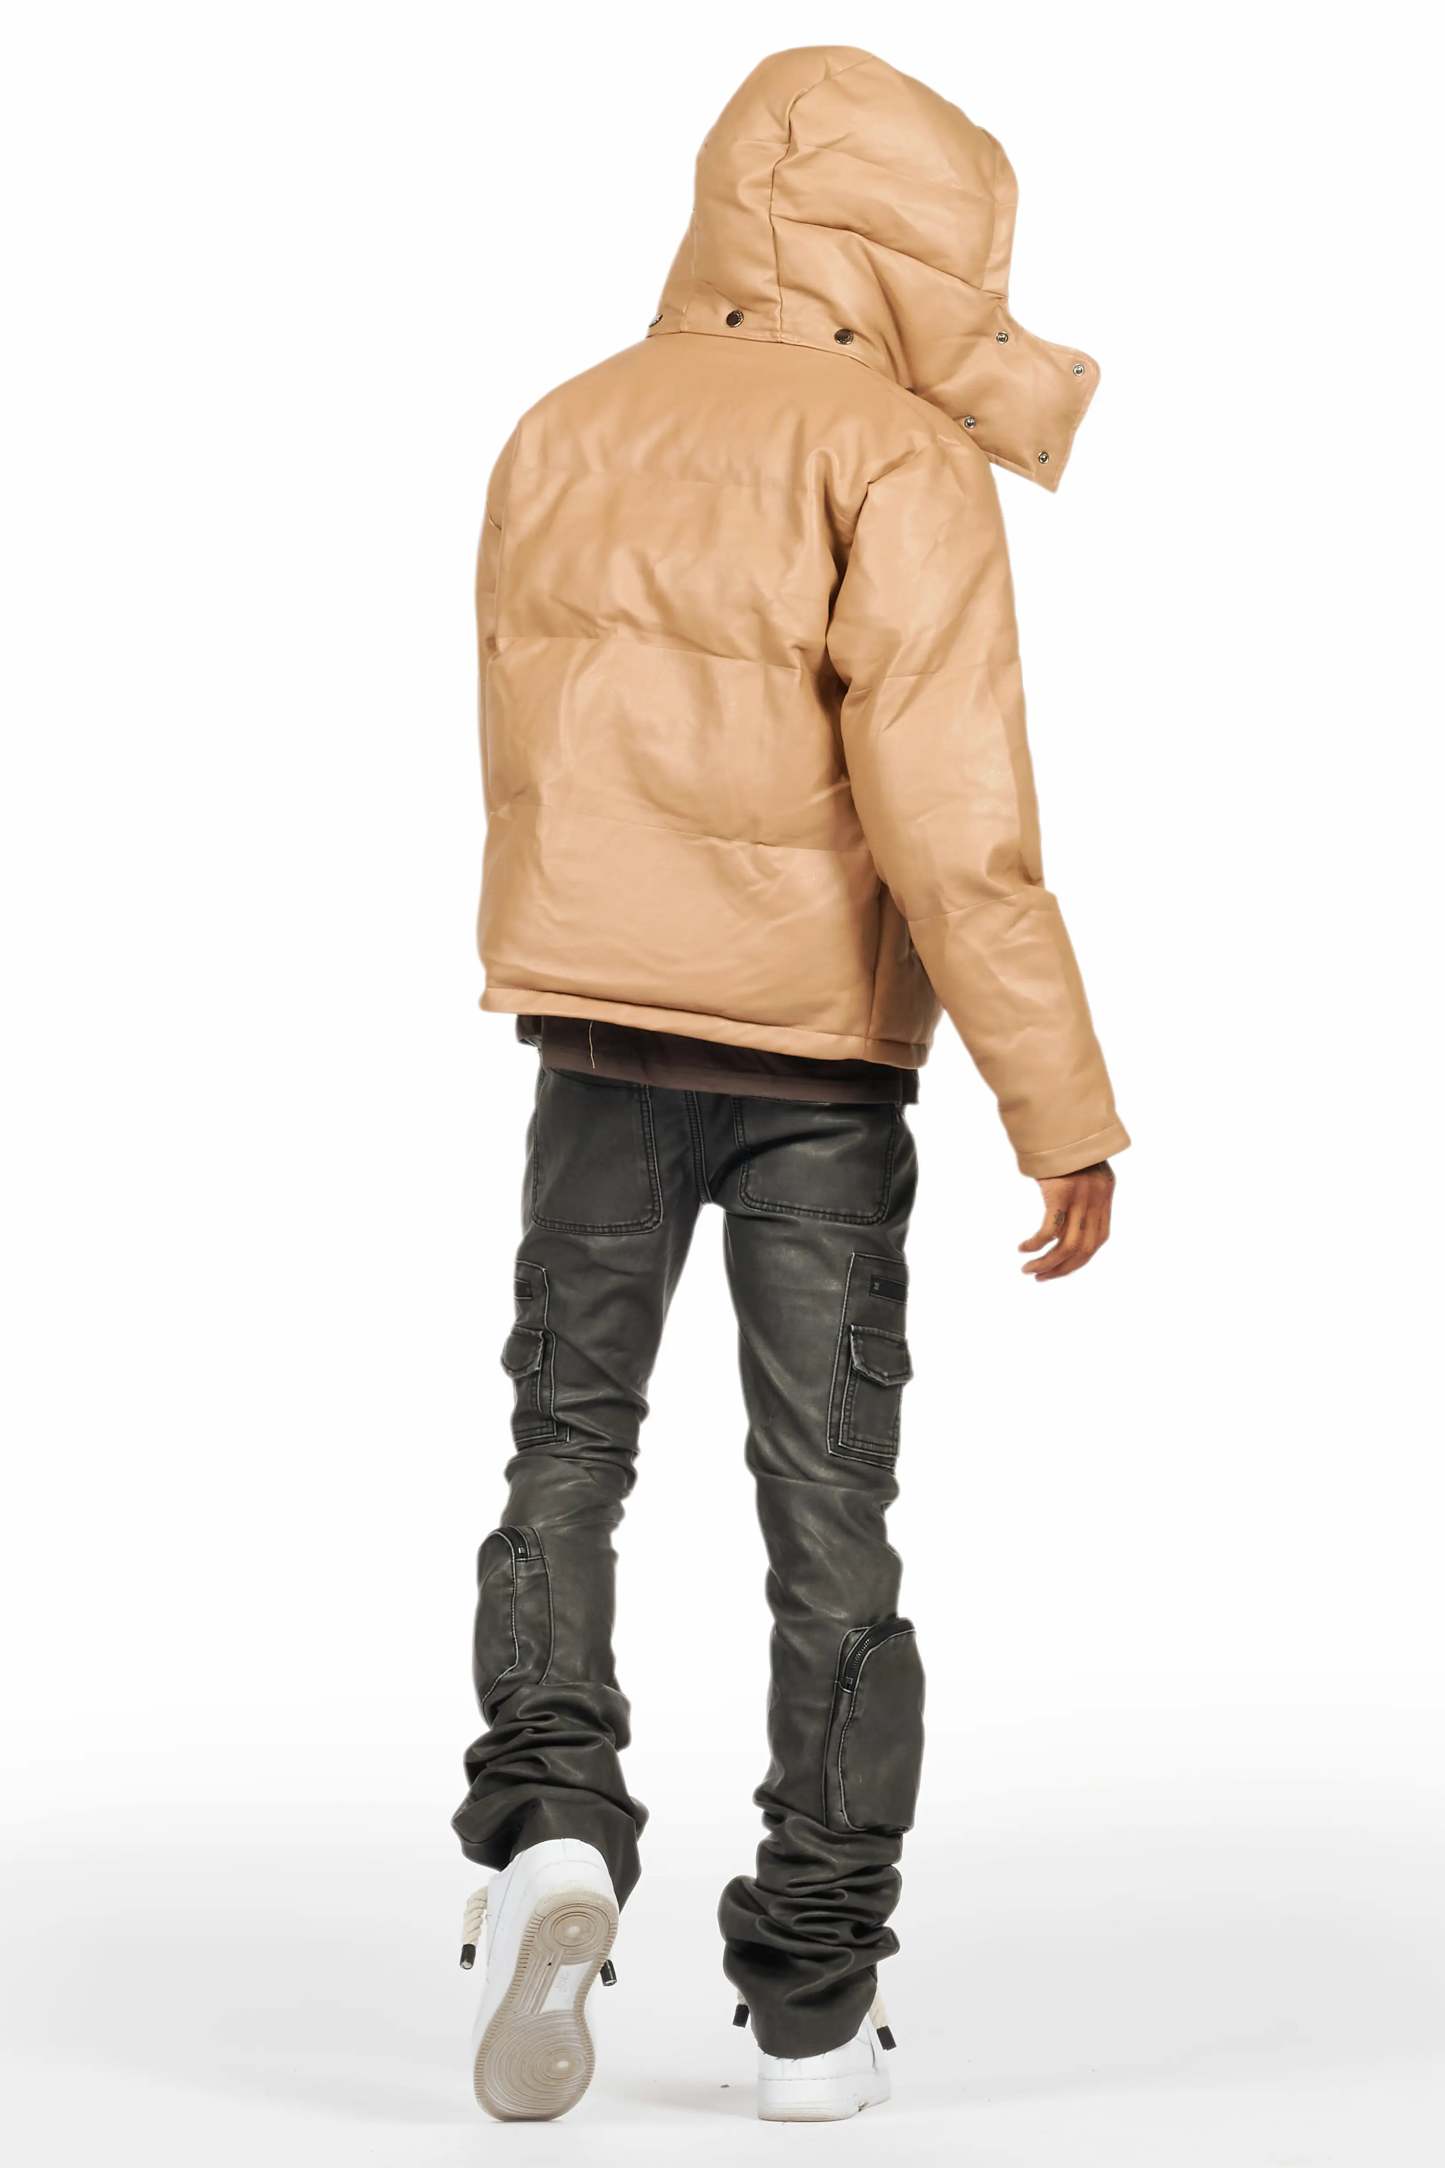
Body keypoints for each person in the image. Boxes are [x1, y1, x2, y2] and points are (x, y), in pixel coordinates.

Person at [451, 43, 1129, 2125]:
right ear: (917, 249)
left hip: (591, 1037)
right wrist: (1058, 1101)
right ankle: (817, 2000)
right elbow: (954, 825)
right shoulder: (894, 461)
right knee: (828, 1509)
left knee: (567, 1450)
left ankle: (551, 1820)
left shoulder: (563, 424)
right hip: (819, 1075)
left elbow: (531, 756)